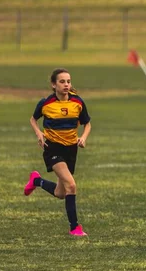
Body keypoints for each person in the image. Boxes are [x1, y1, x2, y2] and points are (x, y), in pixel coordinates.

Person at [25, 68, 92, 236]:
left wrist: (83, 138)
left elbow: (87, 124)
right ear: (54, 84)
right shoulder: (46, 103)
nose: (66, 85)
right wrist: (39, 133)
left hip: (71, 149)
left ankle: (37, 181)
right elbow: (33, 119)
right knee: (71, 185)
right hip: (52, 148)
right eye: (62, 82)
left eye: (68, 81)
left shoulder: (77, 102)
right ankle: (75, 227)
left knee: (60, 193)